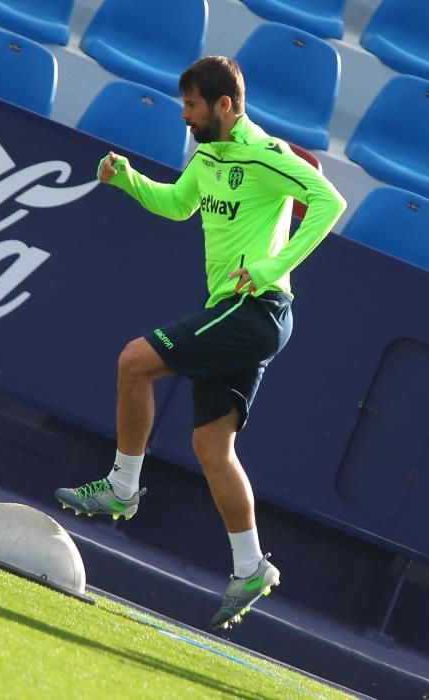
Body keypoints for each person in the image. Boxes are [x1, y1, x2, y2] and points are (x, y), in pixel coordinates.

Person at [55, 56, 347, 630]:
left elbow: (330, 204)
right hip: (234, 311)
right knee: (213, 449)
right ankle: (250, 567)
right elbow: (180, 204)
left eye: (191, 105)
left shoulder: (267, 155)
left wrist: (269, 267)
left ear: (224, 105)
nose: (184, 115)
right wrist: (129, 179)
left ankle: (121, 487)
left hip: (255, 308)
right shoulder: (207, 153)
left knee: (134, 361)